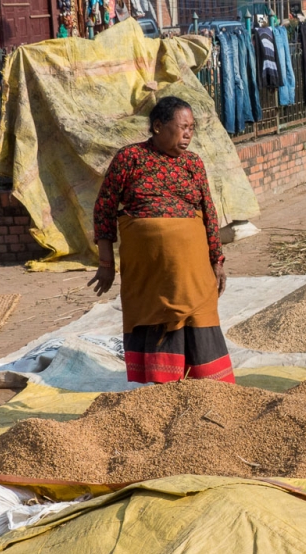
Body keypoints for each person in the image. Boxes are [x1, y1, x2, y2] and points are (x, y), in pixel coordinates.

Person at [88, 96, 235, 385]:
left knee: (198, 316)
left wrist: (216, 260)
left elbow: (208, 212)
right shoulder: (129, 158)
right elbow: (104, 209)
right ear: (158, 126)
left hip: (191, 268)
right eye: (182, 127)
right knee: (153, 316)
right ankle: (160, 384)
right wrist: (106, 263)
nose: (188, 134)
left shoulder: (193, 163)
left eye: (192, 127)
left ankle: (205, 384)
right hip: (149, 271)